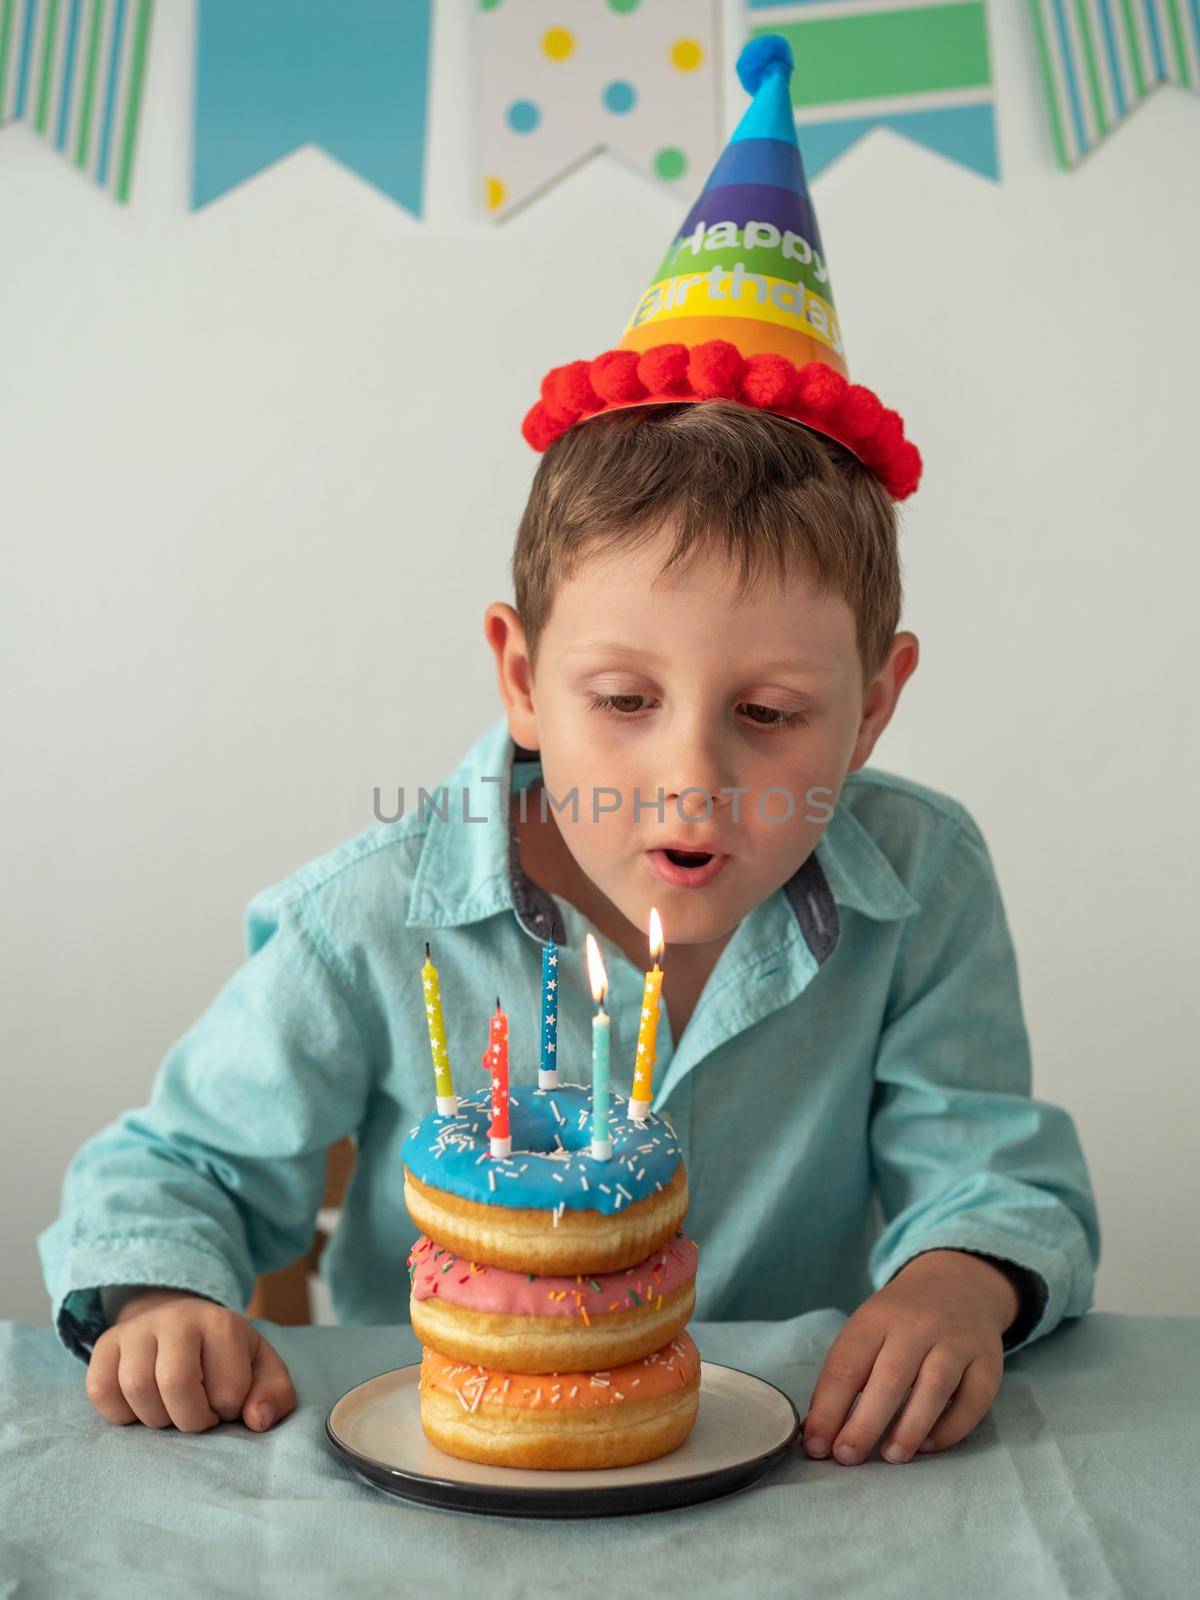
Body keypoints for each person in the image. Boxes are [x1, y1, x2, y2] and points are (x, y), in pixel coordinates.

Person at [38, 34, 1099, 1469]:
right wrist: (164, 1296)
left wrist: (959, 1283)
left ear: (877, 705)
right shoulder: (381, 912)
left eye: (770, 714)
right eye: (622, 698)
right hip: (447, 1472)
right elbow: (175, 1169)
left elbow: (988, 1163)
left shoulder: (921, 881)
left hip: (797, 1488)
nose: (690, 776)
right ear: (524, 678)